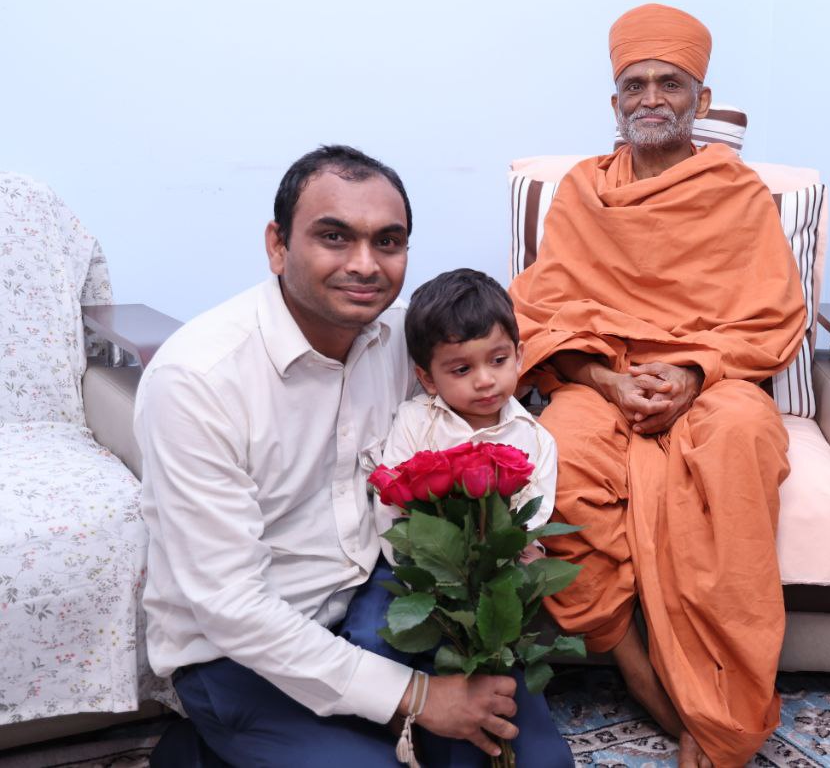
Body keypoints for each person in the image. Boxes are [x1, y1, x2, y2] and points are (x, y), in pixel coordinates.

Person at [137, 146, 570, 767]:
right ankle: (208, 746)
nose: (365, 264)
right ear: (278, 245)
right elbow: (230, 606)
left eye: (388, 242)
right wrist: (419, 697)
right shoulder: (198, 381)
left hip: (388, 612)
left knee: (538, 763)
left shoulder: (407, 345)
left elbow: (490, 398)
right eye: (334, 237)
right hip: (246, 656)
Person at [509, 4, 808, 767]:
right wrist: (608, 381)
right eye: (634, 84)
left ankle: (720, 706)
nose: (650, 98)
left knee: (740, 436)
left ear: (700, 100)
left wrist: (692, 371)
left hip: (713, 377)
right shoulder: (582, 190)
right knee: (560, 449)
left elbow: (774, 315)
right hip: (601, 377)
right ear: (615, 102)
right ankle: (644, 676)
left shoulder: (738, 194)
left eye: (668, 83)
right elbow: (542, 314)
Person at [371, 267, 556, 563]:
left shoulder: (537, 440)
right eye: (462, 369)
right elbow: (390, 504)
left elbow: (533, 519)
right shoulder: (414, 421)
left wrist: (525, 557)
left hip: (501, 569)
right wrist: (415, 570)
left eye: (499, 360)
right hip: (427, 564)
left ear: (519, 356)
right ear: (428, 379)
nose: (485, 380)